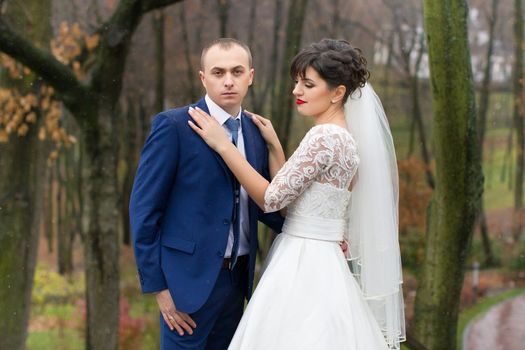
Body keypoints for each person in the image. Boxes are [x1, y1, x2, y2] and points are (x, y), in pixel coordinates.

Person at [188, 38, 406, 349]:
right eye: (296, 82)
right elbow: (299, 202)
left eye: (307, 84)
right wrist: (276, 146)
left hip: (303, 261)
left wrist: (223, 144)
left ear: (337, 92)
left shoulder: (323, 136)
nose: (296, 91)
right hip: (326, 258)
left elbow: (271, 199)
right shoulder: (347, 139)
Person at [129, 38, 285, 349]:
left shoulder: (255, 131)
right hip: (185, 285)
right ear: (203, 77)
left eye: (237, 71)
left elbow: (264, 205)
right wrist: (160, 288)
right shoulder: (173, 126)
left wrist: (318, 230)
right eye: (218, 72)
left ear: (250, 76)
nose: (228, 81)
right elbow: (144, 211)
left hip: (239, 280)